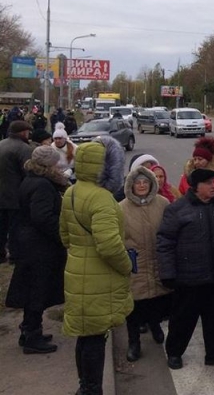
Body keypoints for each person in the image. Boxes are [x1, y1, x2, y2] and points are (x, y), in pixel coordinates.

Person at [60, 136, 133, 395]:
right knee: (95, 337)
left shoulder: (71, 192)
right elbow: (109, 246)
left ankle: (85, 387)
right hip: (100, 279)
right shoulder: (102, 198)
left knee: (85, 334)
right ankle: (93, 390)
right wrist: (126, 267)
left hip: (77, 273)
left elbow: (65, 236)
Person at [157, 168, 214, 370]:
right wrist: (167, 273)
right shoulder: (178, 209)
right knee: (183, 319)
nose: (213, 186)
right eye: (208, 183)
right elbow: (165, 242)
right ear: (196, 186)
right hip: (188, 278)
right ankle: (174, 352)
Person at [5, 146, 68, 353]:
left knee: (35, 288)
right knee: (37, 290)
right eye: (55, 163)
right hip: (38, 247)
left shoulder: (31, 179)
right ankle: (32, 335)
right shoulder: (42, 185)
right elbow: (42, 217)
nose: (58, 167)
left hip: (30, 244)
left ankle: (30, 330)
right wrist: (61, 235)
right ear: (48, 165)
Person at [119, 166, 172, 362]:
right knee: (134, 307)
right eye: (138, 182)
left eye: (145, 182)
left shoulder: (163, 203)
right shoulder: (121, 208)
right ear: (131, 185)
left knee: (157, 301)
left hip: (157, 260)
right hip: (135, 265)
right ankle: (134, 342)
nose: (141, 185)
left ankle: (156, 325)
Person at [0, 120, 33, 263]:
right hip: (15, 195)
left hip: (2, 195)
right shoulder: (24, 149)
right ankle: (14, 255)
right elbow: (28, 172)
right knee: (15, 228)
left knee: (1, 227)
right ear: (24, 132)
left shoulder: (1, 144)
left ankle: (0, 255)